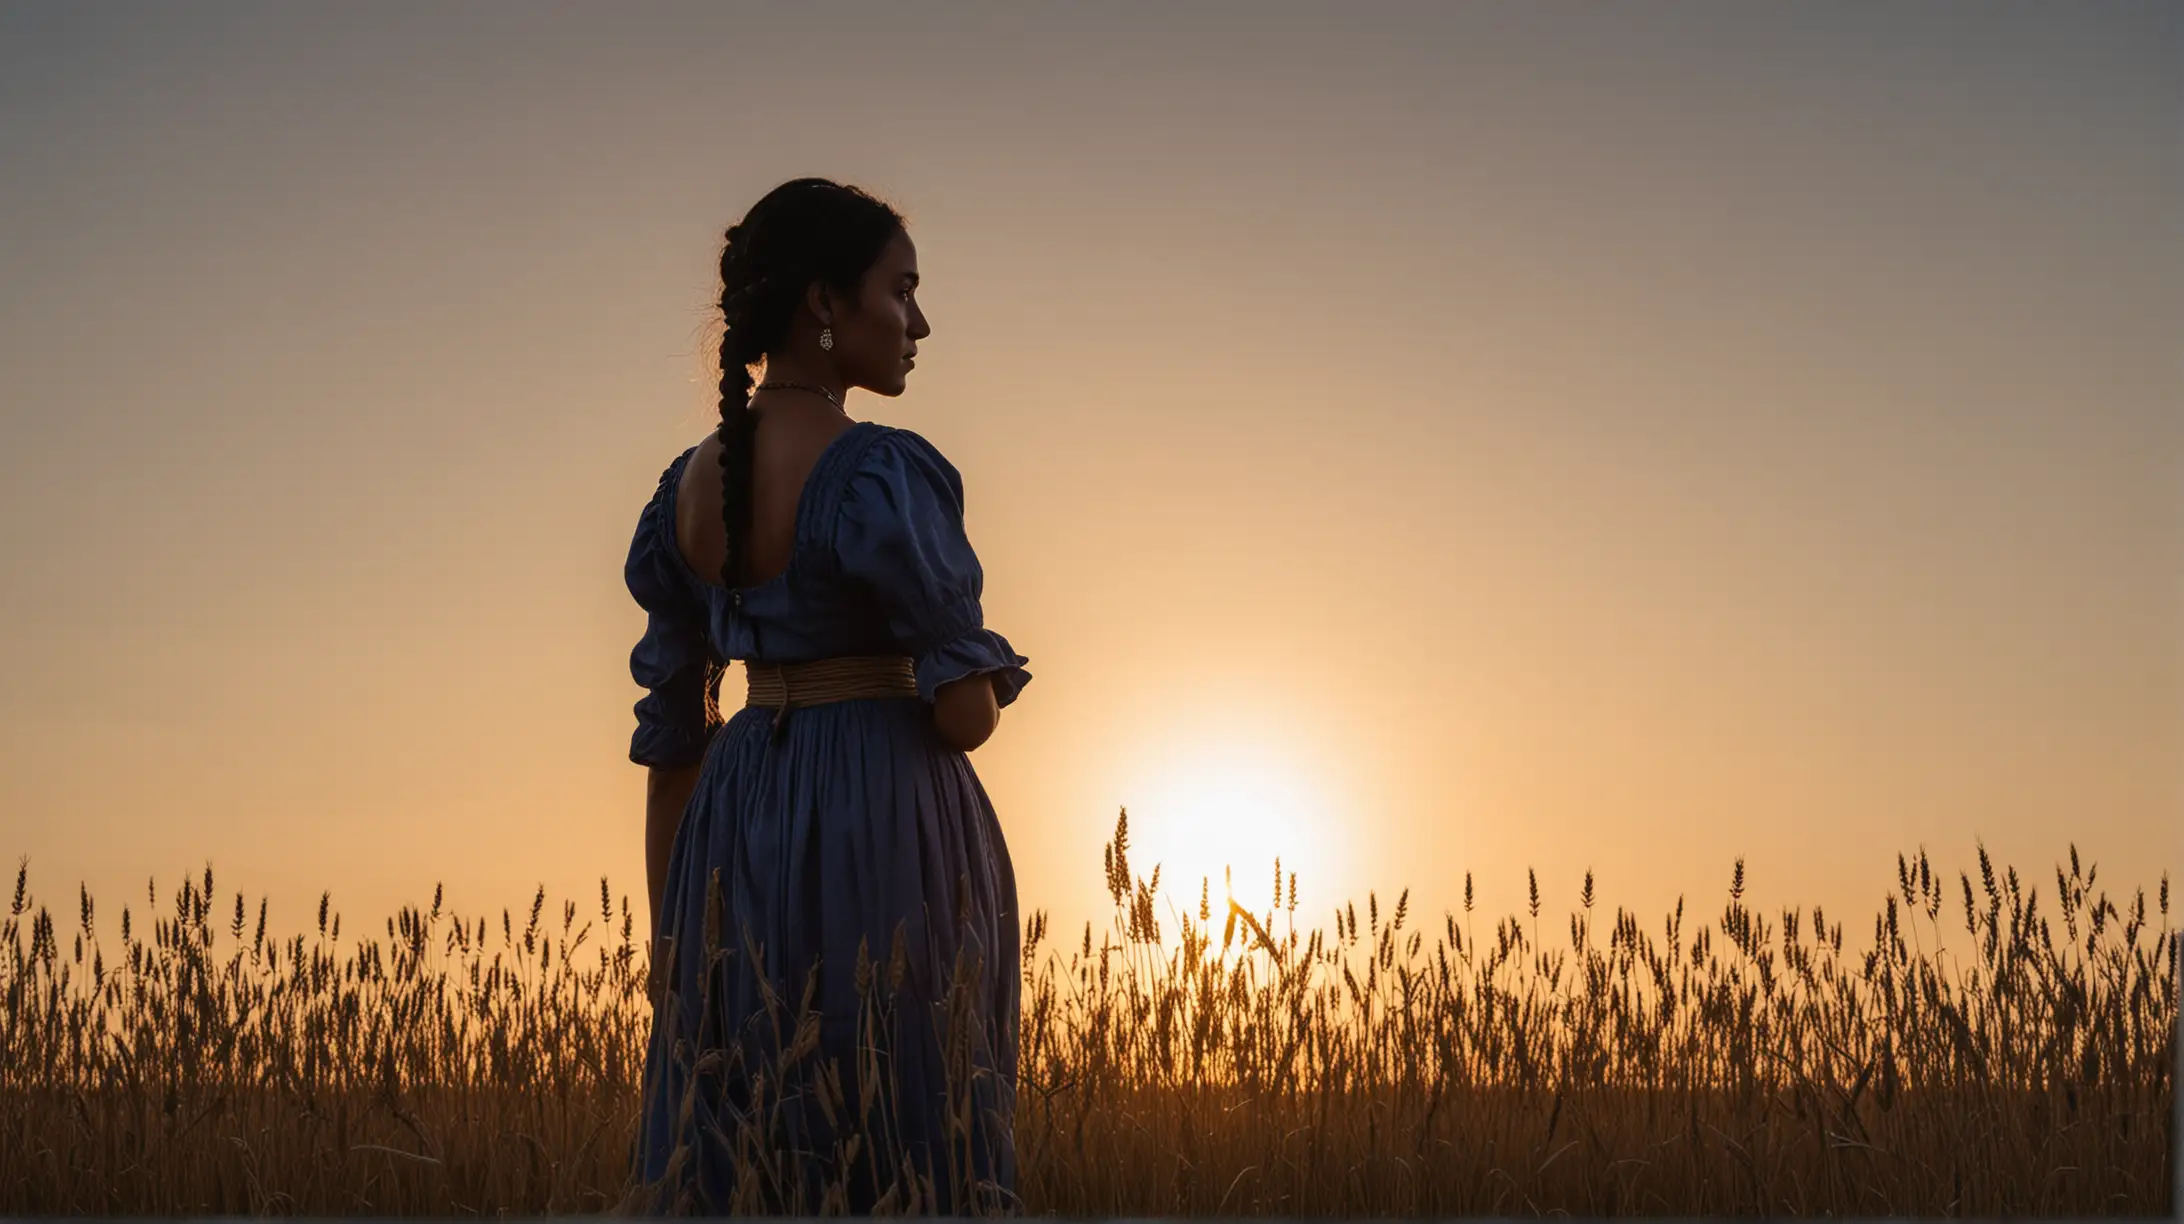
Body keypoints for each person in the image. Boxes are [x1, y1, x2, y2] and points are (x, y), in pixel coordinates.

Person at [619, 177, 1030, 1214]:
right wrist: (970, 663)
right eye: (902, 289)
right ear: (823, 304)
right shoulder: (883, 473)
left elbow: (674, 743)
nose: (920, 321)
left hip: (734, 825)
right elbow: (962, 717)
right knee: (904, 1113)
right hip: (882, 824)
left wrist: (678, 943)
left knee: (745, 1127)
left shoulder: (686, 489)